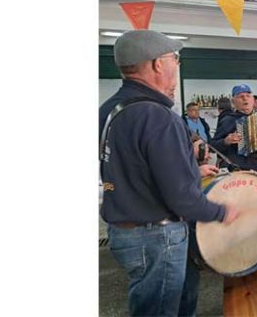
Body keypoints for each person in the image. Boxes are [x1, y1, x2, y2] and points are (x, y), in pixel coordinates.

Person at [99, 30, 242, 316]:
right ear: (156, 64)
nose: (178, 66)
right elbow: (182, 198)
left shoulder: (109, 109)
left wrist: (192, 168)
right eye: (175, 59)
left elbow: (133, 165)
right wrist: (222, 212)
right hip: (157, 236)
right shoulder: (158, 116)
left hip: (125, 231)